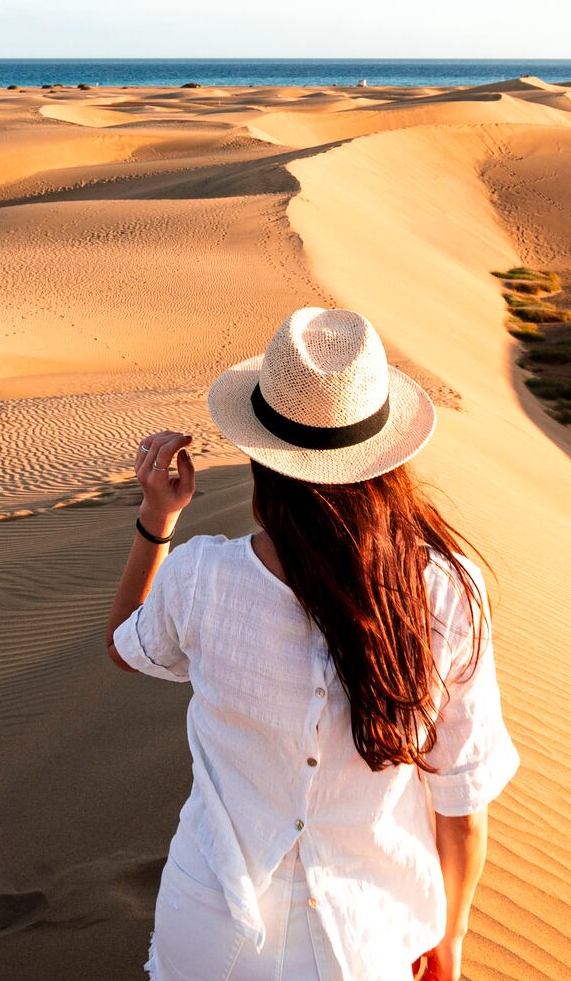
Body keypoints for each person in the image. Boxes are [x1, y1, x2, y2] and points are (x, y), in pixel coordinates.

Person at [107, 307, 519, 980]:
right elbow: (463, 806)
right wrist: (451, 935)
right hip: (367, 942)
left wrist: (157, 520)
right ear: (384, 456)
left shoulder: (200, 575)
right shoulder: (446, 591)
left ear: (261, 458)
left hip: (209, 932)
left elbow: (123, 646)